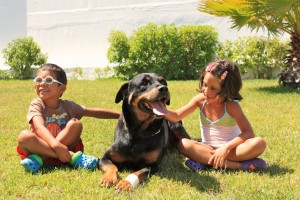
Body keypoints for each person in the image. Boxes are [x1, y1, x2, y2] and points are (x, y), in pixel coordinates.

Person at [164, 60, 267, 171]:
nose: (206, 91)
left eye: (213, 88)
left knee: (259, 143)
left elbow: (248, 133)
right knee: (183, 144)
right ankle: (239, 166)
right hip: (208, 149)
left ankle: (204, 161)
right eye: (205, 84)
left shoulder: (232, 106)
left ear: (226, 89)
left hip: (231, 150)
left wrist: (226, 148)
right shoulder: (199, 100)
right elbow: (176, 116)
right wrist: (158, 109)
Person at [17, 63, 120, 174]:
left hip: (57, 148)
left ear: (61, 88)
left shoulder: (68, 107)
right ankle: (71, 158)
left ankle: (41, 159)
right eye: (38, 80)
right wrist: (56, 145)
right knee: (24, 136)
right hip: (40, 147)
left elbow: (93, 111)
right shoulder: (36, 104)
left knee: (75, 124)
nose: (42, 83)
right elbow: (38, 127)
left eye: (48, 80)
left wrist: (121, 115)